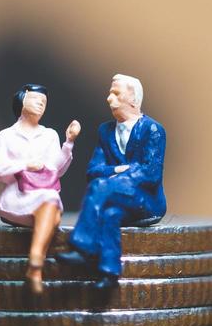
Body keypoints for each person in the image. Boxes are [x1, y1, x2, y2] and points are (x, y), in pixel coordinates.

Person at [53, 74, 166, 288]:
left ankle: (83, 247)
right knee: (110, 213)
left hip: (146, 202)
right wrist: (119, 169)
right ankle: (109, 272)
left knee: (99, 187)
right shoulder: (105, 131)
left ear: (133, 100)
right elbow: (93, 170)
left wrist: (114, 179)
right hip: (117, 201)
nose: (109, 98)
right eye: (109, 93)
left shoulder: (153, 130)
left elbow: (150, 174)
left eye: (116, 93)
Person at [0, 84, 80, 294]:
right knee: (53, 212)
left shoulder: (49, 135)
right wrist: (25, 165)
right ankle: (36, 264)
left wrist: (69, 142)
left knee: (51, 202)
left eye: (44, 102)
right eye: (36, 99)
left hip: (44, 192)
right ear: (22, 100)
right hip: (17, 196)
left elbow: (57, 169)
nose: (40, 104)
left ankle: (35, 265)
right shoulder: (6, 135)